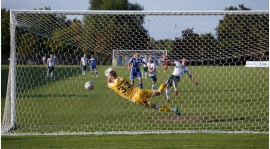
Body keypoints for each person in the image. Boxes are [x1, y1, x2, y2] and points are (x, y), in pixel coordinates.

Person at [107, 70, 181, 116]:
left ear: (111, 77)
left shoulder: (113, 85)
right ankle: (166, 82)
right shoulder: (122, 78)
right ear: (116, 75)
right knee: (158, 92)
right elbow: (118, 77)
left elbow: (108, 84)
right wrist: (113, 75)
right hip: (139, 91)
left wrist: (108, 79)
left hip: (136, 98)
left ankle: (173, 110)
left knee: (156, 106)